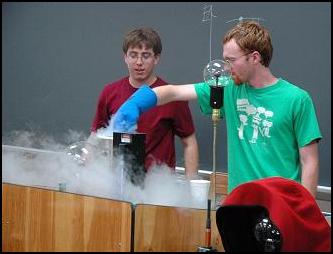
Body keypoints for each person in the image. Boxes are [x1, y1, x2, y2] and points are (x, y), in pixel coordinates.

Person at [113, 21, 322, 197]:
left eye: (231, 60)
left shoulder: (297, 99)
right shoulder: (228, 88)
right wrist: (137, 102)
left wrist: (305, 211)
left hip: (283, 205)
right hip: (240, 205)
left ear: (255, 57)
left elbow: (309, 162)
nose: (226, 67)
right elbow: (174, 92)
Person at [88, 27, 199, 179]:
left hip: (159, 186)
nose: (139, 62)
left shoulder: (171, 95)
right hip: (116, 183)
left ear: (156, 58)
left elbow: (189, 142)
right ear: (125, 57)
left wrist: (191, 188)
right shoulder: (109, 92)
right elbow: (95, 137)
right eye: (133, 55)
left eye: (146, 56)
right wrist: (86, 174)